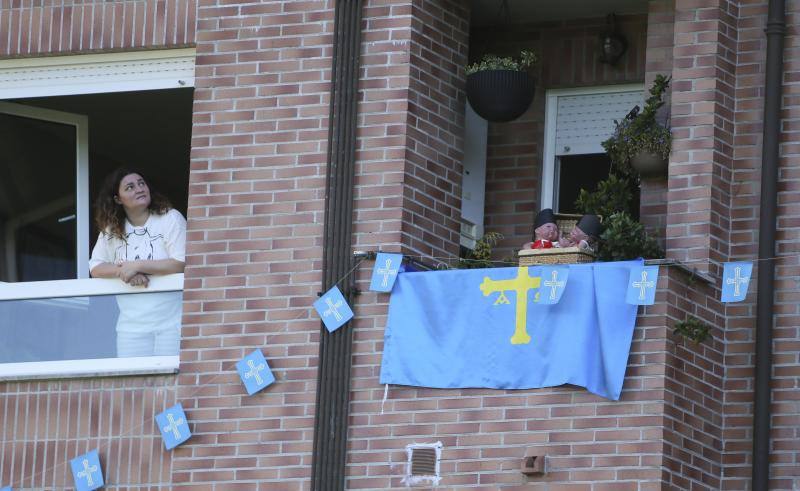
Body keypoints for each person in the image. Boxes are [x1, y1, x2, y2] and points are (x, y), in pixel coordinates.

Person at [89, 168, 186, 358]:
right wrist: (123, 272)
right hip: (131, 328)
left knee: (169, 384)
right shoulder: (111, 231)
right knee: (134, 385)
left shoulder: (170, 218)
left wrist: (137, 265)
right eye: (130, 187)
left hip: (171, 323)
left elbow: (181, 262)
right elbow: (96, 267)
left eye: (141, 183)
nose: (139, 189)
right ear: (118, 199)